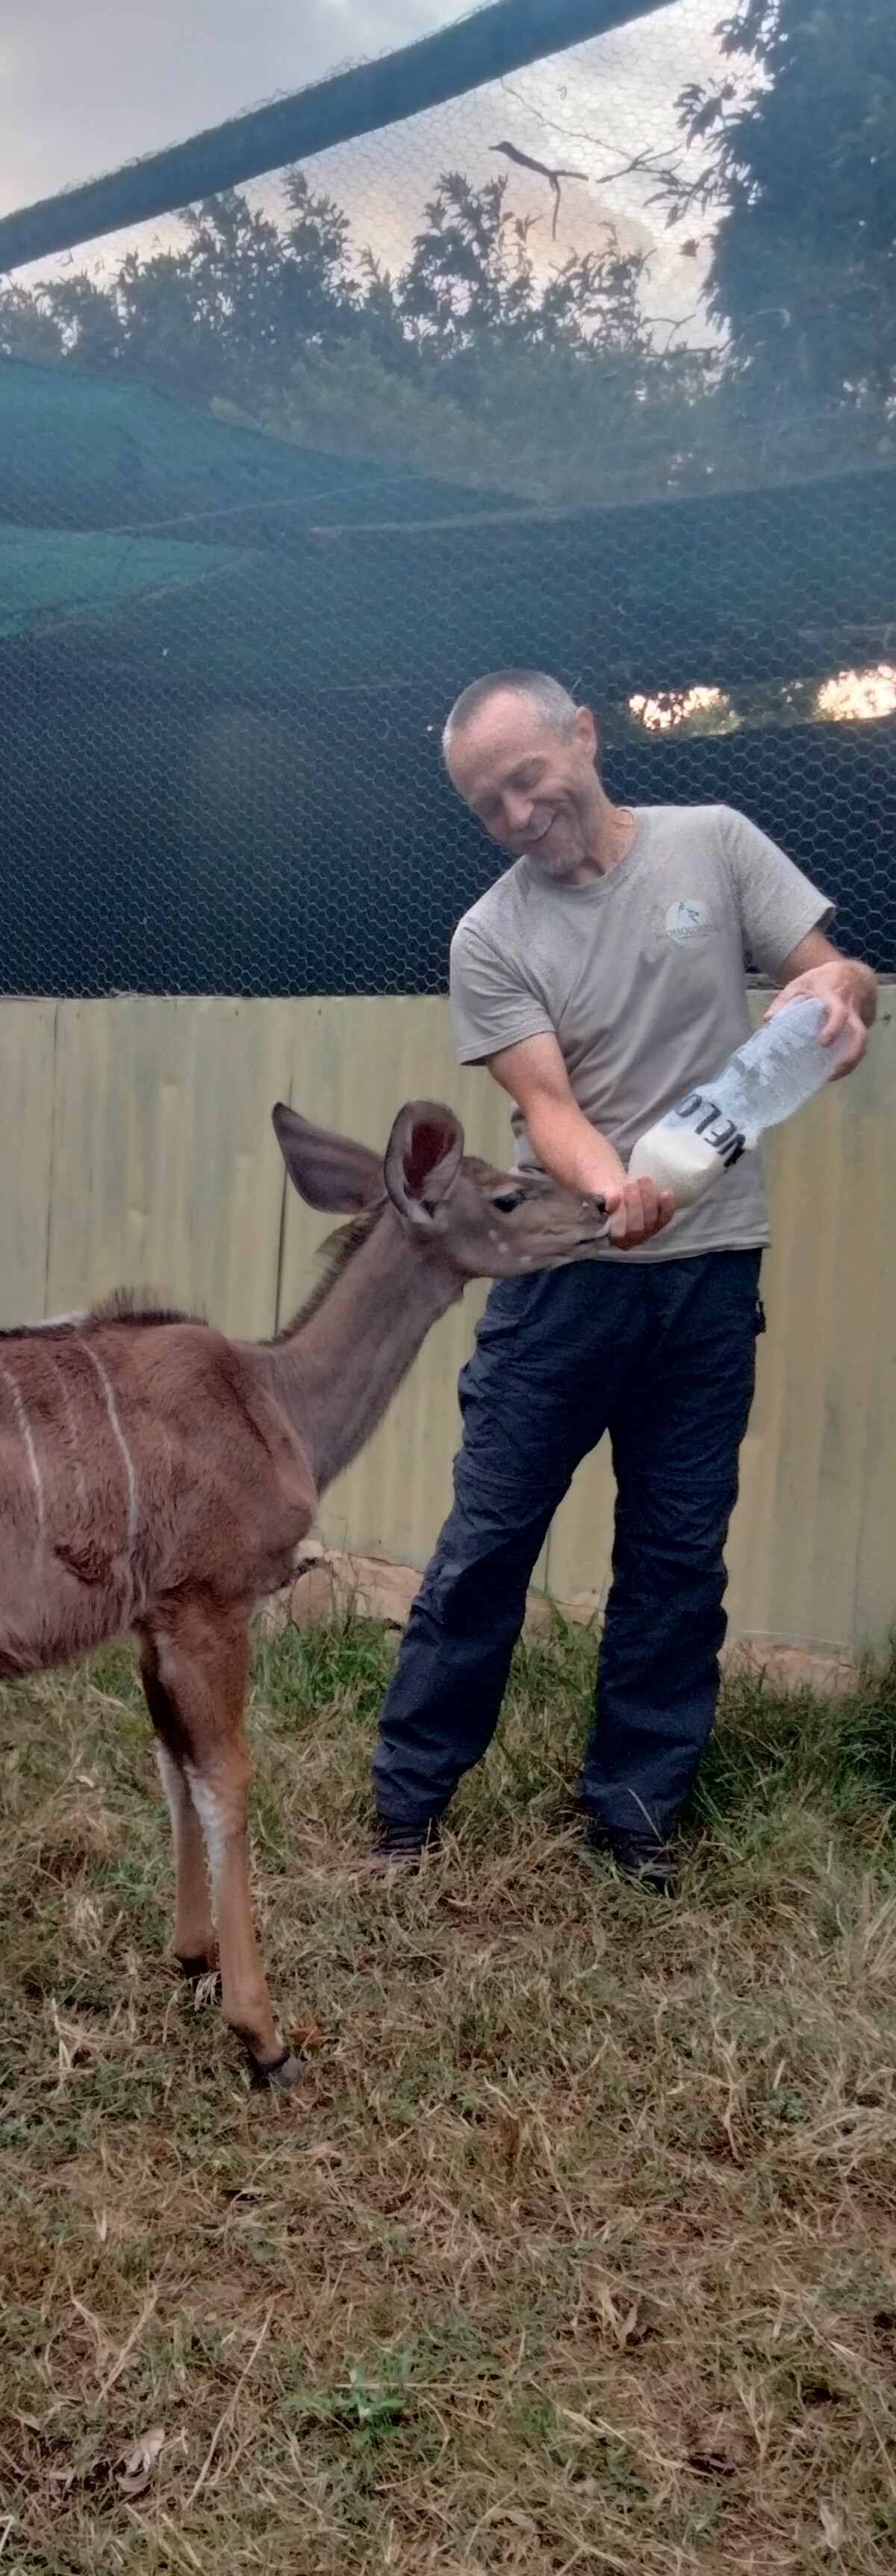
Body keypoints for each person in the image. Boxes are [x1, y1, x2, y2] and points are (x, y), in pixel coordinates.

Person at [372, 670, 877, 1887]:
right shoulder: (490, 936)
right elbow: (546, 1106)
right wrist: (615, 1195)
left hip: (711, 1278)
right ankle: (405, 1811)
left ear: (586, 739)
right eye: (486, 804)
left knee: (676, 1555)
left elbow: (826, 973)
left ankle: (635, 1826)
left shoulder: (715, 845)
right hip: (565, 1279)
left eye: (527, 778)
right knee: (490, 1543)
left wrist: (845, 996)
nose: (514, 813)